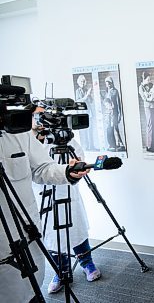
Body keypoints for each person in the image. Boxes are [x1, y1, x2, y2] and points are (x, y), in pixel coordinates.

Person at [0, 123, 88, 302]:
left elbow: (42, 168)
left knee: (30, 289)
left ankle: (86, 263)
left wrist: (68, 171)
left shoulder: (18, 132)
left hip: (23, 231)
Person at [32, 108, 101, 294]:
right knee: (53, 237)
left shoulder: (65, 139)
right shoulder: (30, 143)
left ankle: (88, 263)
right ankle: (60, 272)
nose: (40, 120)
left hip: (69, 191)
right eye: (36, 116)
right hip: (45, 195)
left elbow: (80, 159)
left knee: (77, 230)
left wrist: (77, 167)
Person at [138, 71, 154, 152]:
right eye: (148, 79)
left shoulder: (152, 84)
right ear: (144, 78)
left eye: (150, 79)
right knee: (150, 125)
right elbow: (145, 98)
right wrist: (152, 97)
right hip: (148, 107)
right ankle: (149, 146)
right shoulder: (141, 87)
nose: (149, 80)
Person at [75, 74, 96, 151]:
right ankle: (86, 147)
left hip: (89, 113)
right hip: (82, 115)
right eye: (81, 81)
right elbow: (79, 101)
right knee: (84, 131)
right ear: (78, 82)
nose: (83, 83)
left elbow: (90, 101)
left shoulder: (86, 90)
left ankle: (92, 146)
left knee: (90, 131)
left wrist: (89, 95)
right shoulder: (77, 91)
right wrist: (87, 95)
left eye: (84, 81)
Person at [104, 76, 125, 151]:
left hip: (114, 112)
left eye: (109, 84)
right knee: (109, 129)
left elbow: (118, 104)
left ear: (112, 83)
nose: (108, 85)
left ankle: (120, 144)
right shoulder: (106, 92)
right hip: (108, 113)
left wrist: (120, 114)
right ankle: (112, 145)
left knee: (115, 128)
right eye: (107, 84)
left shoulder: (115, 91)